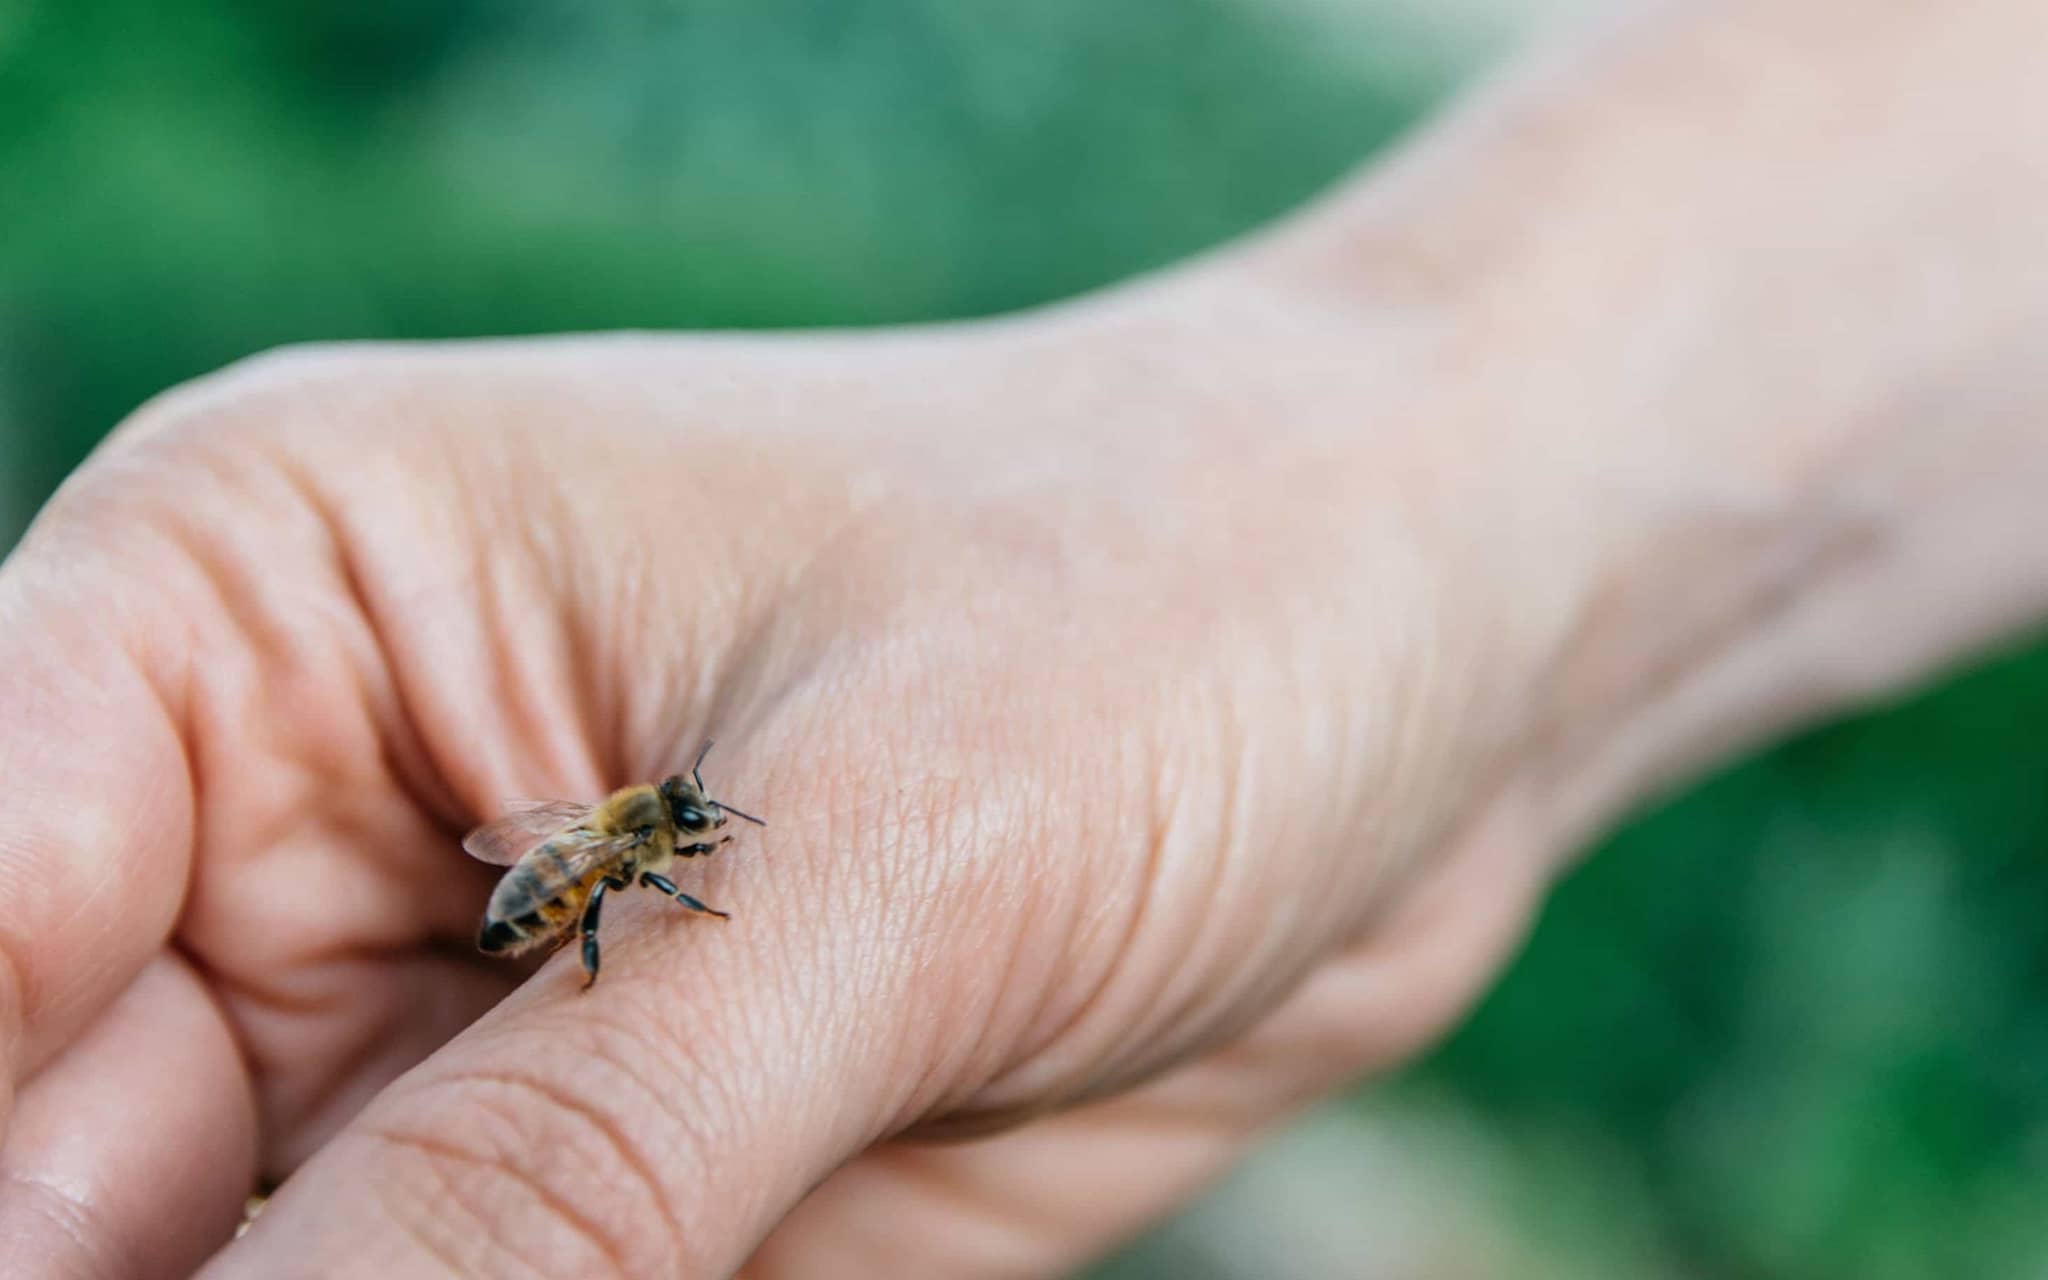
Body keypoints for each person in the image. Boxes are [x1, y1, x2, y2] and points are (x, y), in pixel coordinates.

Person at [1, 2, 2042, 1276]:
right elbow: (593, 877)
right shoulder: (614, 844)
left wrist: (1442, 460)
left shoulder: (616, 828)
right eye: (663, 830)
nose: (671, 835)